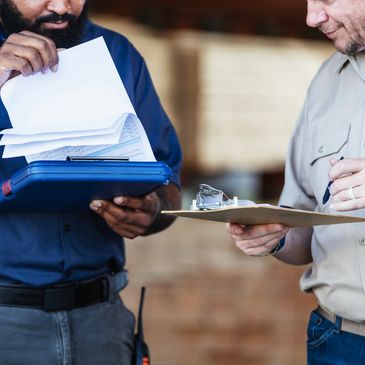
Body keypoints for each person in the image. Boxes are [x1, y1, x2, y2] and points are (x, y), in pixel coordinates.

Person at [0, 1, 182, 364]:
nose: (61, 6)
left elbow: (169, 187)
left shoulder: (119, 55)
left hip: (101, 320)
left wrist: (153, 211)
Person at [227, 0, 365, 363]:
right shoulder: (324, 83)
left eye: (327, 0)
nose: (311, 17)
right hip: (339, 342)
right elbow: (305, 222)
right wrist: (276, 236)